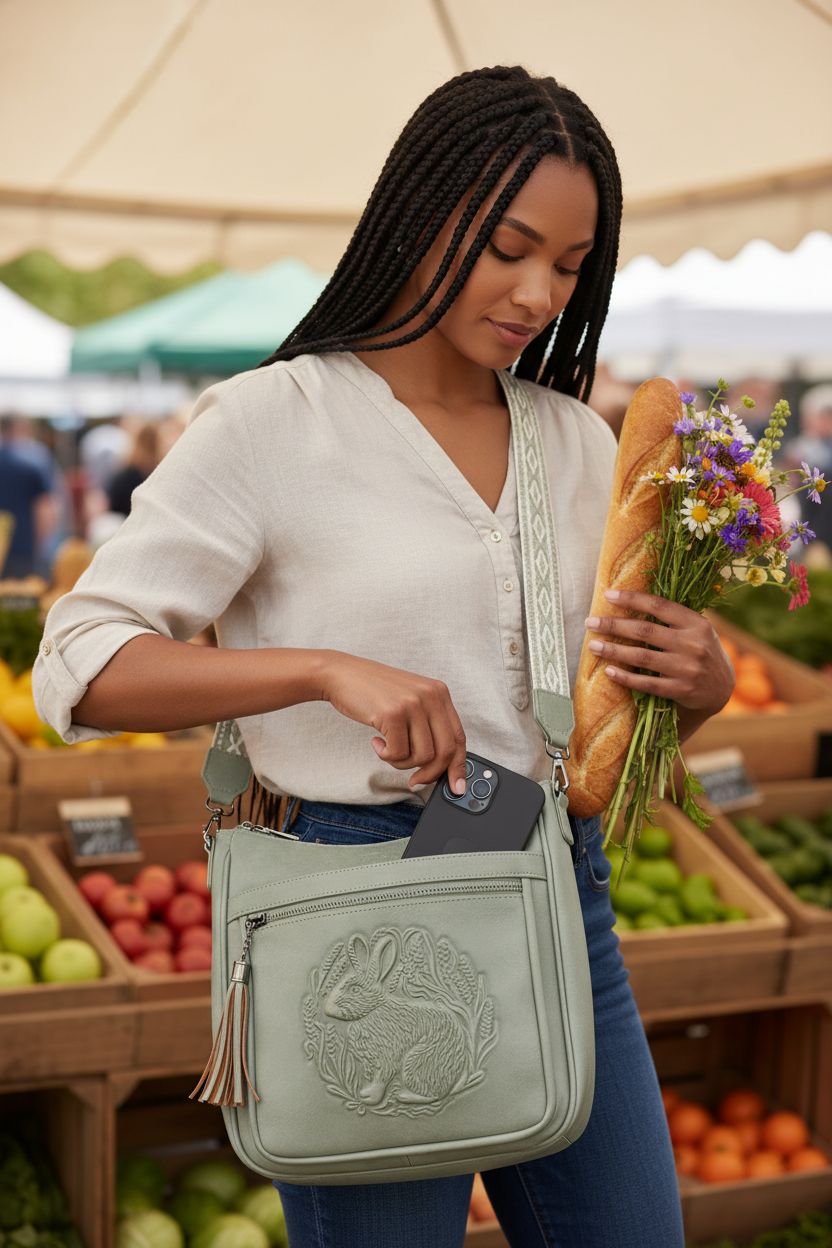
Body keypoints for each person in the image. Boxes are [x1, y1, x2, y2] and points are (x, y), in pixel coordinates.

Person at [32, 65, 734, 1248]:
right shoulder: (272, 423)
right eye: (508, 246)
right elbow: (79, 665)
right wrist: (319, 671)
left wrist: (690, 692)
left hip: (558, 891)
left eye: (568, 266)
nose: (535, 292)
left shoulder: (573, 440)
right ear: (419, 208)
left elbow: (570, 722)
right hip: (353, 909)